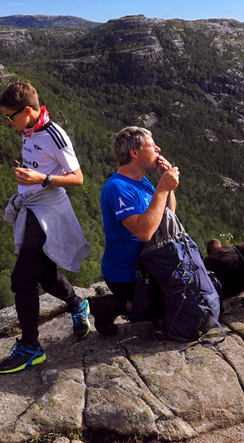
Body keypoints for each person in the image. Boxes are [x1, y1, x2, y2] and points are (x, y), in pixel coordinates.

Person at [0, 80, 92, 374]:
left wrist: (41, 179)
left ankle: (30, 347)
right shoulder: (29, 130)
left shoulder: (54, 134)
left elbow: (77, 178)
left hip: (48, 210)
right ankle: (77, 305)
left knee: (22, 278)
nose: (7, 122)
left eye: (9, 116)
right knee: (45, 273)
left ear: (27, 111)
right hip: (33, 208)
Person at [91, 126, 180, 335]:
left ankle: (140, 303)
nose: (158, 149)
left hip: (148, 265)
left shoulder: (143, 182)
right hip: (126, 274)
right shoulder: (117, 188)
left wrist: (165, 183)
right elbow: (144, 232)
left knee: (185, 298)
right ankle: (111, 305)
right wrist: (163, 188)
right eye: (152, 145)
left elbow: (168, 214)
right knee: (170, 311)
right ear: (135, 153)